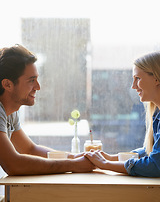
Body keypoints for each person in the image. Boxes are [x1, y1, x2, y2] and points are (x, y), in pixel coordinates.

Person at [0, 44, 94, 175]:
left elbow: (29, 149)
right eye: (31, 80)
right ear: (7, 84)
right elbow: (13, 164)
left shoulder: (10, 112)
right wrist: (73, 165)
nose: (38, 87)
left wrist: (76, 158)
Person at [85, 51, 160, 177]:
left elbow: (155, 165)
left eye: (138, 78)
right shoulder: (157, 114)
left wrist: (105, 164)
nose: (133, 86)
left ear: (156, 78)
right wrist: (112, 158)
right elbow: (151, 152)